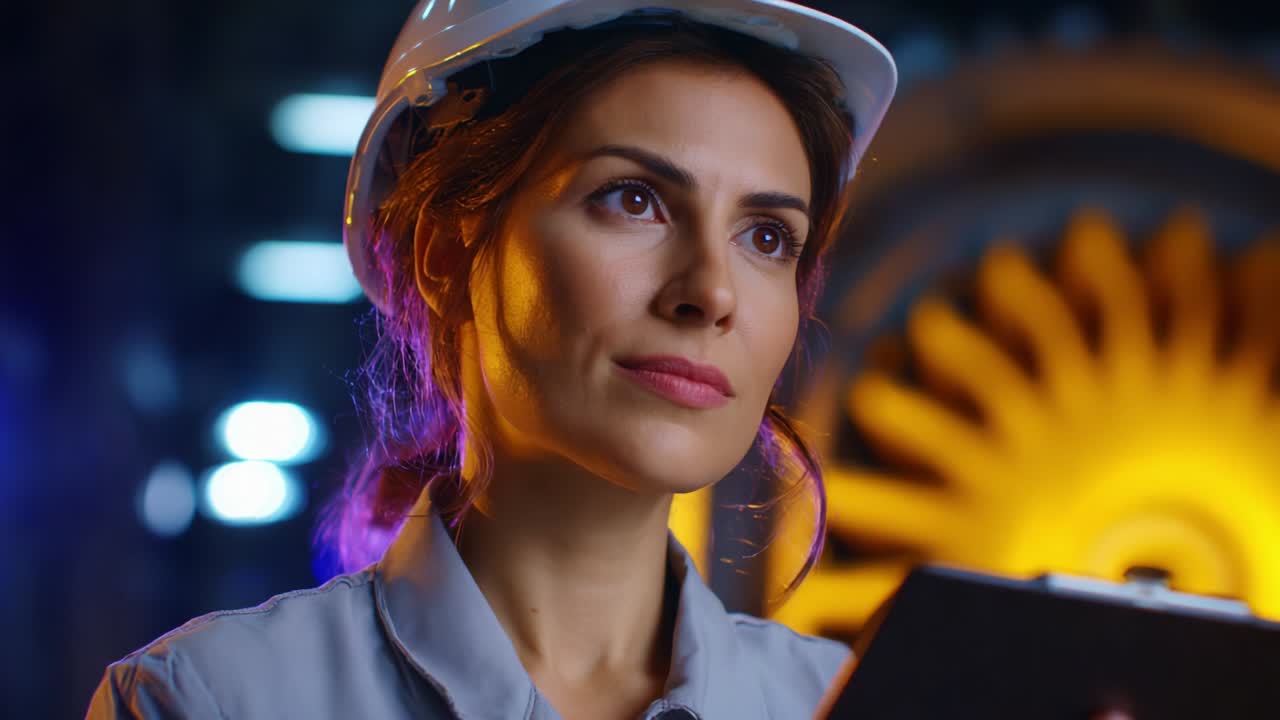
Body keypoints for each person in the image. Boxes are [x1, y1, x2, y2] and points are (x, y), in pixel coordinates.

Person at [91, 1, 1129, 718]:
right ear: (449, 250)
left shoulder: (838, 711)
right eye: (631, 198)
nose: (709, 292)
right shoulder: (214, 701)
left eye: (766, 236)